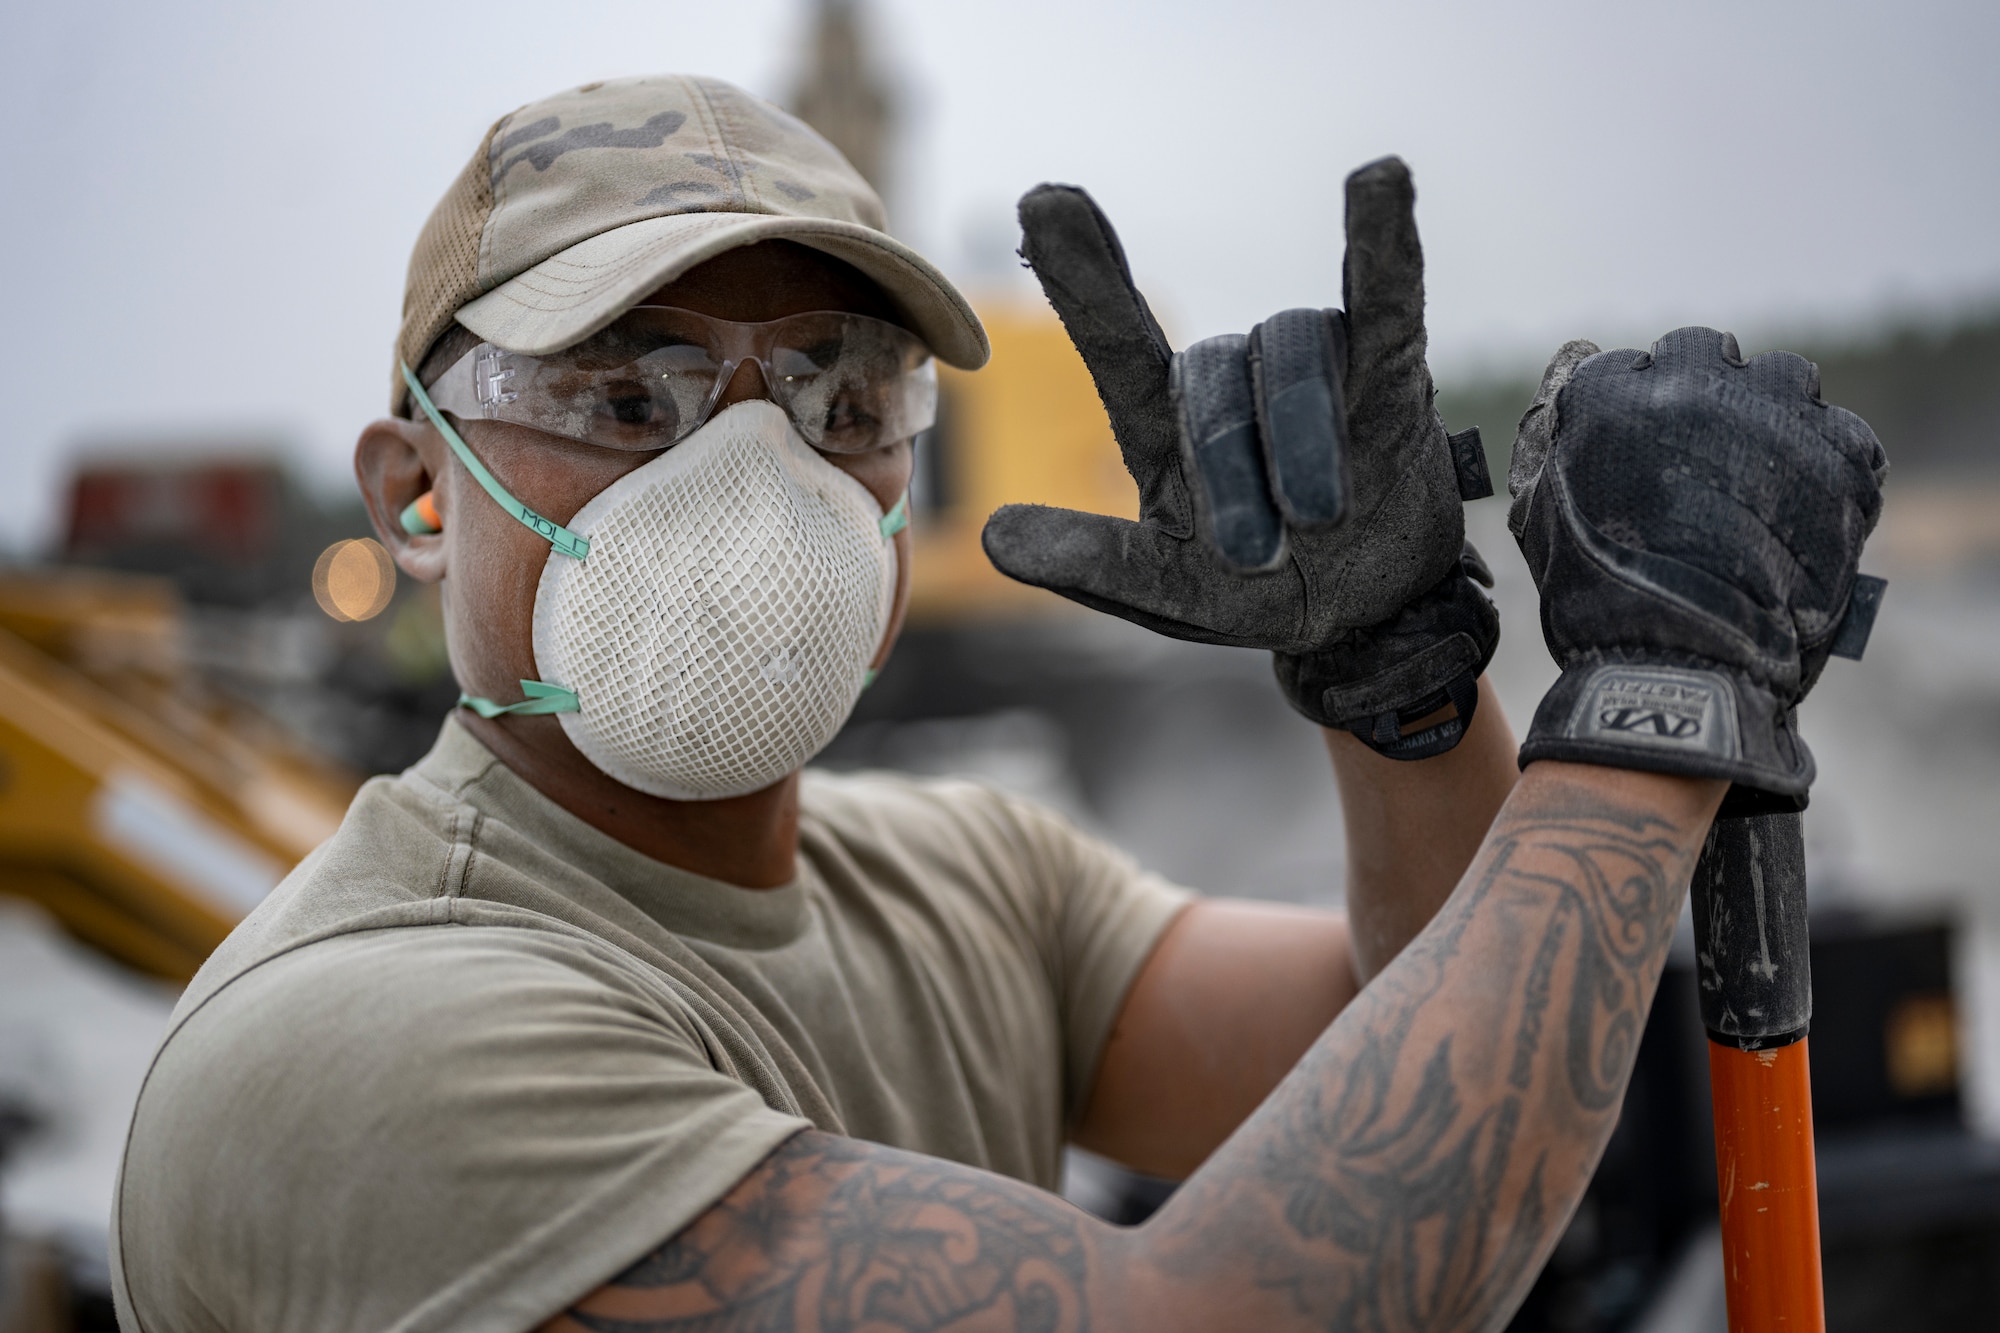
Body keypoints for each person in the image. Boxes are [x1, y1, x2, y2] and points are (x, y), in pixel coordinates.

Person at [110, 73, 1885, 1333]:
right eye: (627, 402)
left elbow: (1432, 1056)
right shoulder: (344, 1053)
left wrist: (1404, 695)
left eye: (835, 395)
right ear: (418, 495)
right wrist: (1656, 714)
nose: (750, 471)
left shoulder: (960, 882)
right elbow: (1245, 1307)